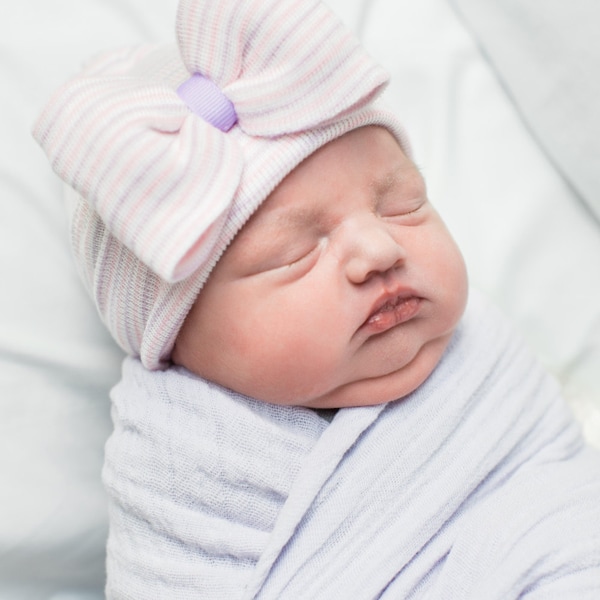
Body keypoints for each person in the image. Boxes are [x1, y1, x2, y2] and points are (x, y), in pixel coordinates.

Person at [33, 0, 600, 598]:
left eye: (401, 204)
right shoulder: (172, 463)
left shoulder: (480, 355)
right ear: (174, 338)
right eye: (295, 253)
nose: (379, 249)